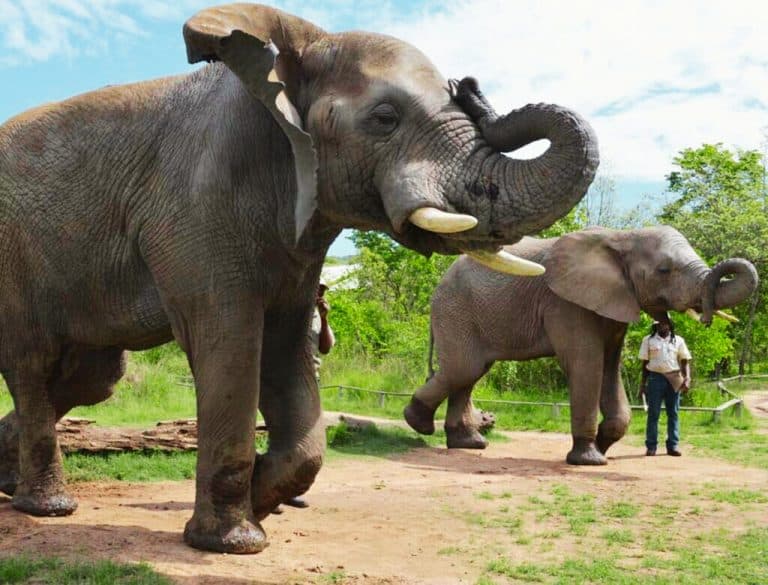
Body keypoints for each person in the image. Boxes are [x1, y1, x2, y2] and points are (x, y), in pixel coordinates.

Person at [274, 281, 335, 513]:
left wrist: (325, 317)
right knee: (281, 435)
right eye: (317, 288)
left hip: (310, 381)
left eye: (323, 291)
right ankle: (269, 491)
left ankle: (288, 491)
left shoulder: (319, 316)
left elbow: (326, 348)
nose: (319, 293)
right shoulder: (289, 309)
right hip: (284, 379)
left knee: (302, 440)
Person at [639, 320, 691, 457]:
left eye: (665, 323)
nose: (662, 326)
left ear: (670, 325)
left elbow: (685, 360)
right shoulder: (648, 340)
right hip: (655, 377)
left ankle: (673, 445)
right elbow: (644, 363)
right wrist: (643, 384)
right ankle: (651, 446)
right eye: (659, 324)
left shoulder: (678, 340)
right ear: (655, 326)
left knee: (673, 412)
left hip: (674, 376)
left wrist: (687, 378)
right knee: (653, 413)